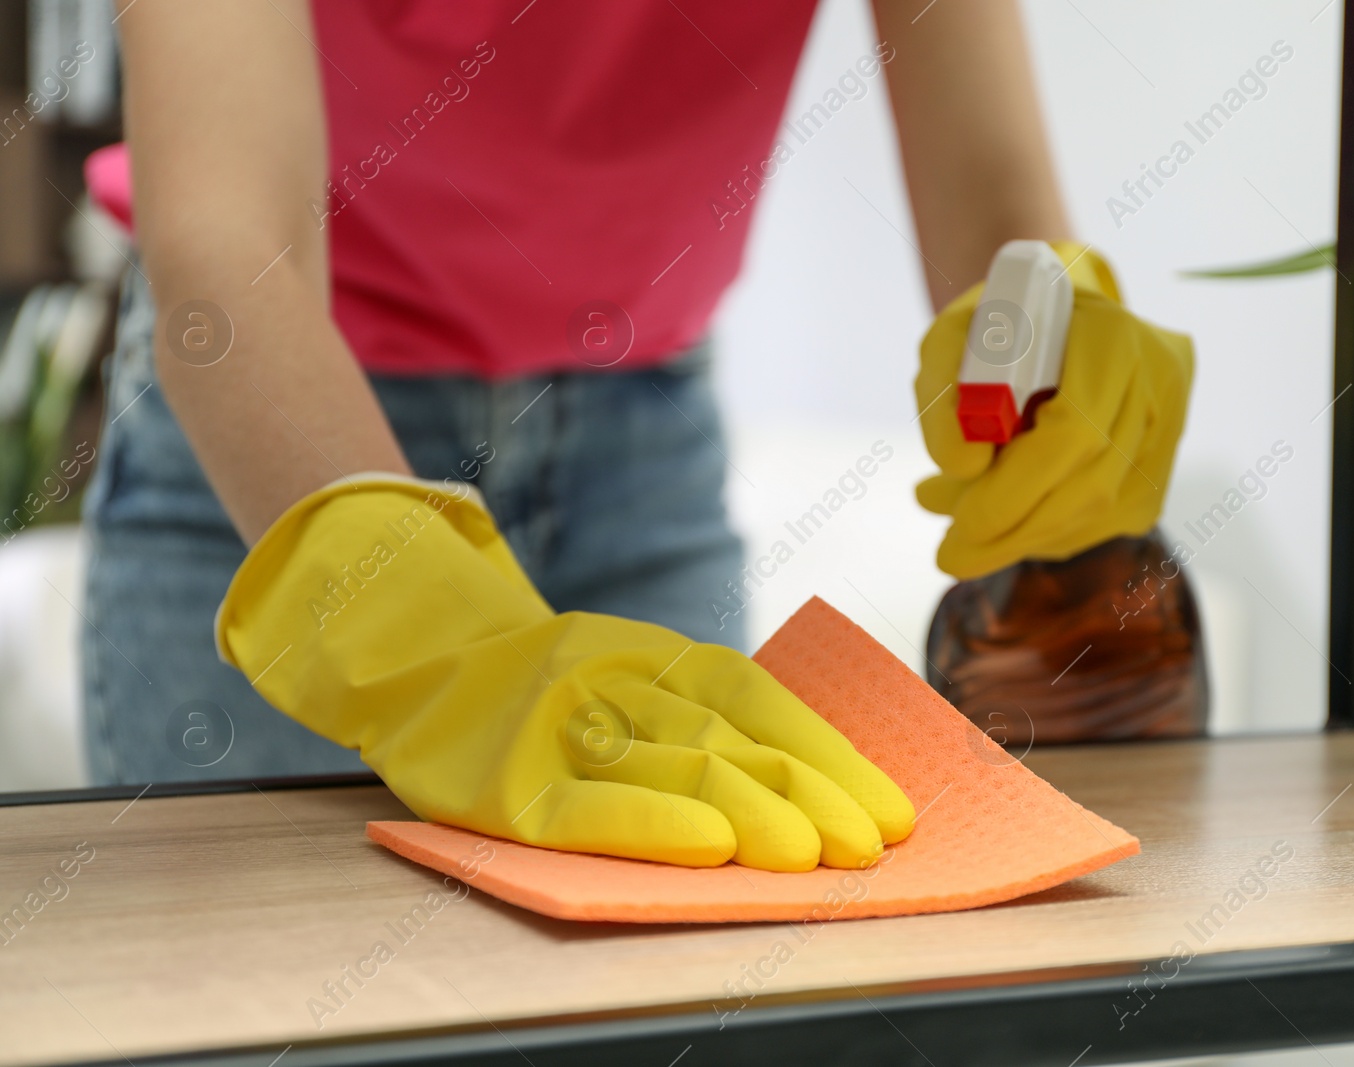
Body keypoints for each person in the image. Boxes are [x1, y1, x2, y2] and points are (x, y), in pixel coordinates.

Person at [84, 0, 1189, 872]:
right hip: (284, 451)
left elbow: (991, 195)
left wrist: (1046, 322)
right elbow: (234, 248)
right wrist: (424, 640)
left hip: (638, 445)